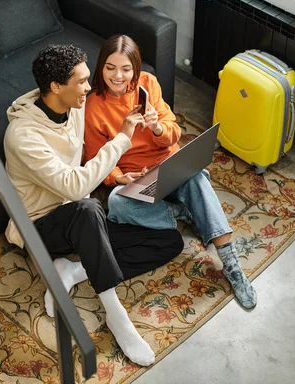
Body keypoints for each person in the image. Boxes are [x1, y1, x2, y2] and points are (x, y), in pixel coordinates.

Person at [4, 44, 184, 366]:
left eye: (89, 79)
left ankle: (73, 270)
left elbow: (92, 154)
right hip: (40, 226)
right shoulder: (23, 136)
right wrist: (123, 138)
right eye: (83, 82)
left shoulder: (72, 105)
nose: (90, 87)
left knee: (168, 241)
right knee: (88, 210)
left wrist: (123, 171)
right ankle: (116, 316)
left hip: (82, 215)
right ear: (57, 87)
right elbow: (74, 185)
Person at [84, 35, 257, 309]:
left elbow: (174, 132)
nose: (118, 76)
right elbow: (96, 158)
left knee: (197, 176)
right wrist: (119, 177)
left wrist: (156, 127)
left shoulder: (148, 84)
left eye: (126, 69)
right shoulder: (93, 106)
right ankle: (183, 212)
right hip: (135, 180)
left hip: (167, 165)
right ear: (100, 68)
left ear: (136, 69)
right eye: (110, 68)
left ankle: (232, 266)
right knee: (116, 202)